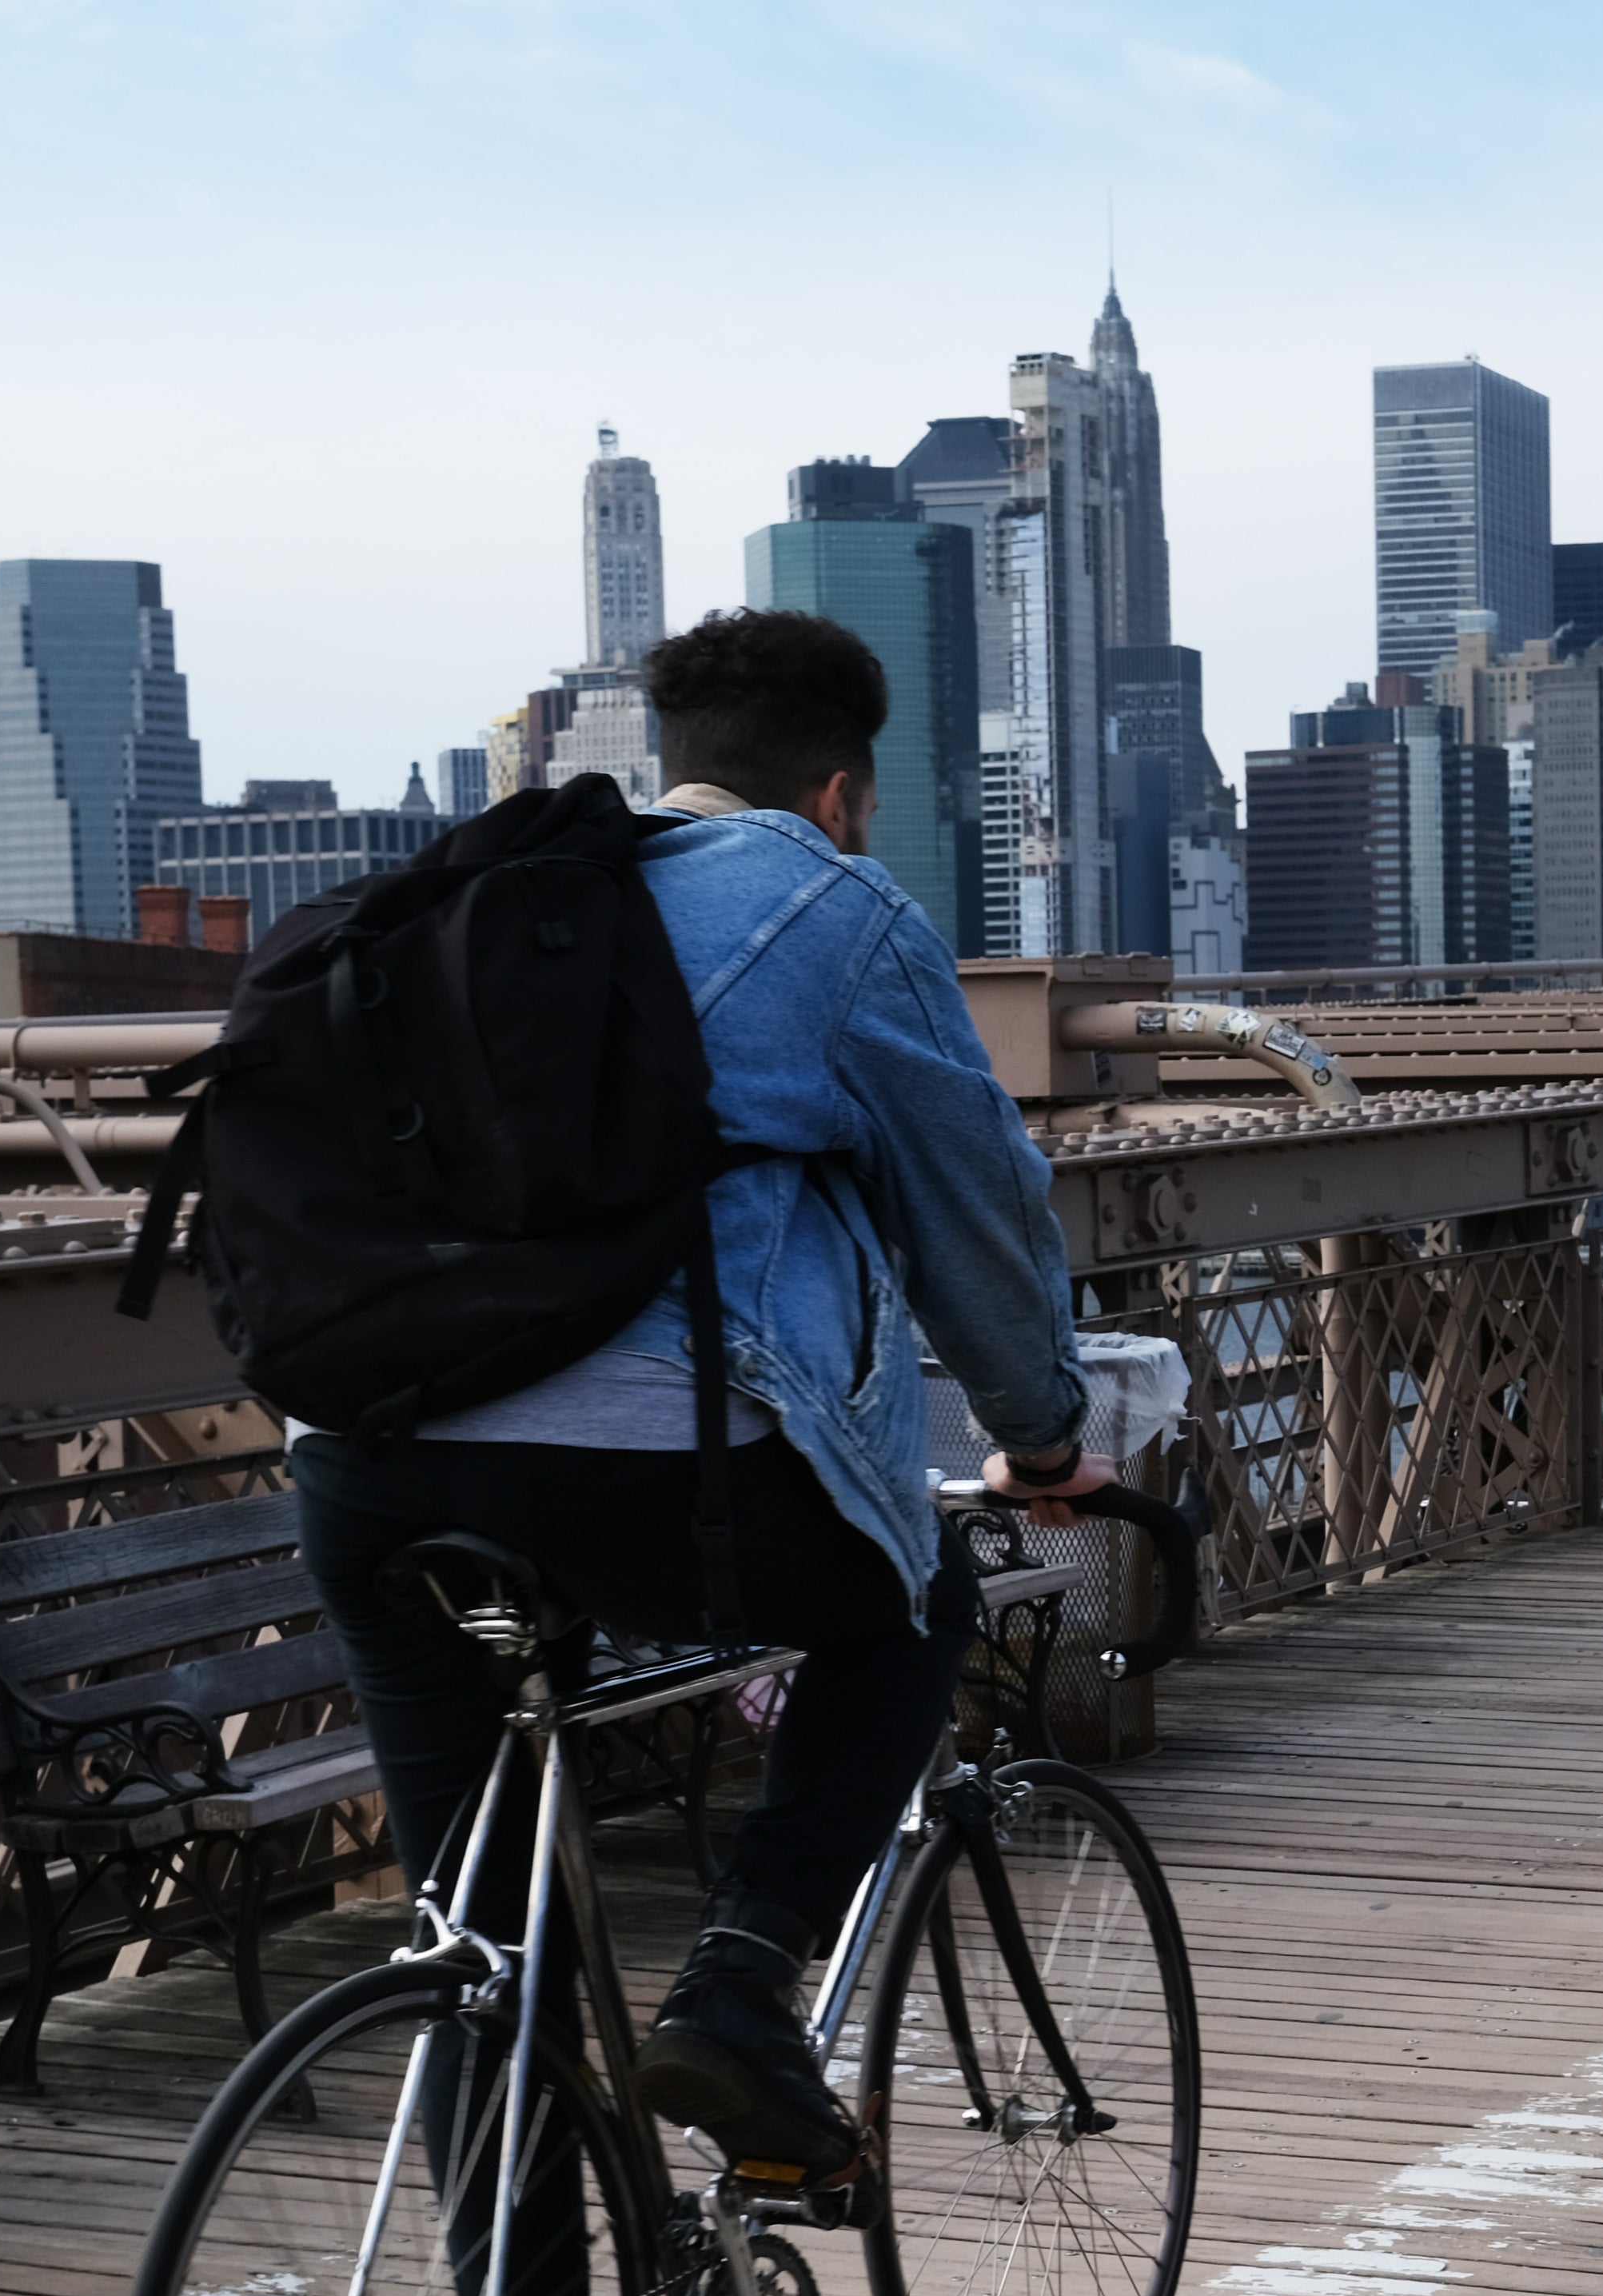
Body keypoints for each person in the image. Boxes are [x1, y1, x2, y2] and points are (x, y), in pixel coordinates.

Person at [293, 607, 1099, 2185]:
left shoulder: (479, 894)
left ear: (668, 763)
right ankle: (738, 1986)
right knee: (907, 1601)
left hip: (361, 1457)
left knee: (481, 1936)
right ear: (844, 794)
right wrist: (1043, 1436)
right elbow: (975, 1212)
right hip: (657, 1459)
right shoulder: (836, 906)